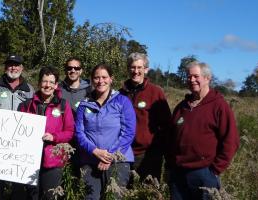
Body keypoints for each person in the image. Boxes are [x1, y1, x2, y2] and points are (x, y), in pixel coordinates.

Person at [167, 61, 239, 200]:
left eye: (196, 76)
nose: (192, 80)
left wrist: (215, 170)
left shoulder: (219, 105)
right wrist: (170, 165)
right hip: (178, 173)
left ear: (207, 78)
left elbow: (231, 140)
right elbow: (171, 137)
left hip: (204, 174)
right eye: (189, 77)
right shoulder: (182, 107)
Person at [75, 64, 136, 200]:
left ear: (111, 79)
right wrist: (95, 151)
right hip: (90, 160)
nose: (100, 81)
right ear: (91, 80)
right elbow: (79, 133)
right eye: (96, 78)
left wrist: (110, 156)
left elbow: (128, 132)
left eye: (104, 77)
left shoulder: (123, 101)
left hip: (118, 162)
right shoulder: (83, 105)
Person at [18, 67, 74, 199]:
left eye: (51, 82)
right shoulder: (26, 105)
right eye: (44, 81)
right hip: (29, 160)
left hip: (53, 161)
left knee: (49, 196)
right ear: (38, 83)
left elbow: (70, 132)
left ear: (56, 85)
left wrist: (54, 137)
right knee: (31, 196)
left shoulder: (63, 105)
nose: (47, 85)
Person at [0, 54, 34, 199]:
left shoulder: (29, 89)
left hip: (20, 144)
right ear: (5, 67)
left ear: (22, 68)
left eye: (17, 64)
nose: (13, 67)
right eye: (10, 64)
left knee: (18, 185)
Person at [119, 53, 171, 182]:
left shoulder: (155, 92)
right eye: (132, 67)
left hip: (148, 156)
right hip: (123, 153)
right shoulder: (120, 94)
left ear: (146, 69)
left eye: (139, 67)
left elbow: (166, 125)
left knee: (146, 193)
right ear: (128, 69)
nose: (135, 71)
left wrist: (160, 150)